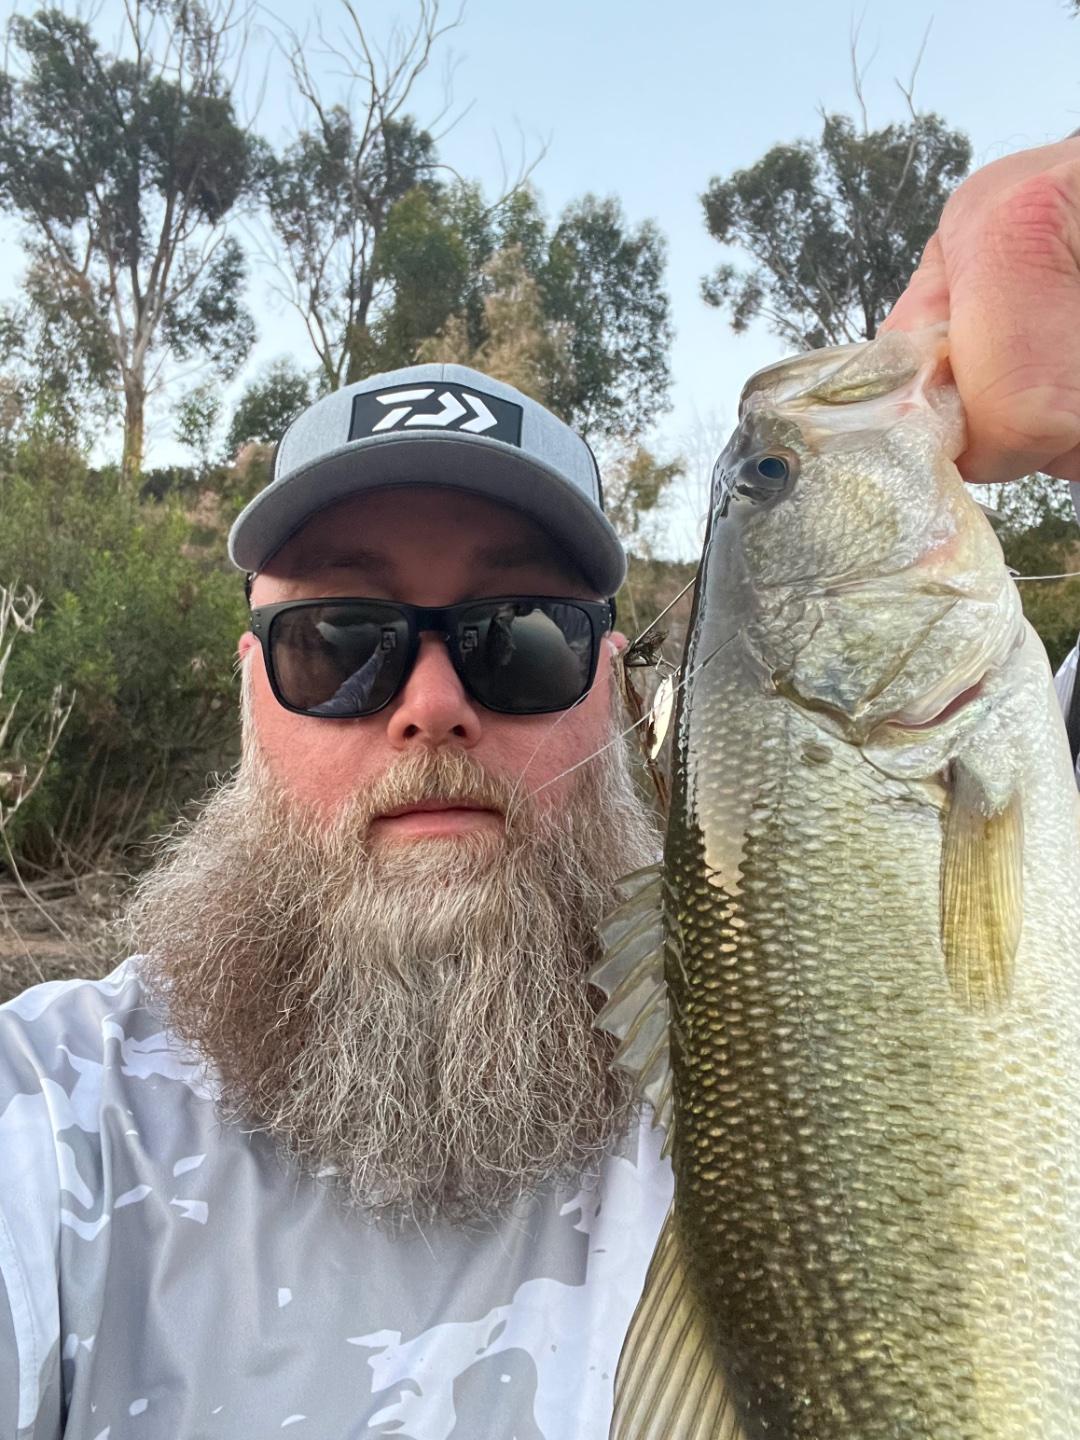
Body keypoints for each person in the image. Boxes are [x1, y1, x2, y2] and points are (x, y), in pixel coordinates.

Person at [1, 134, 1080, 1439]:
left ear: (608, 691)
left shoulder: (751, 1020)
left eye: (519, 637)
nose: (431, 701)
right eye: (337, 642)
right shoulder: (53, 1119)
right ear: (250, 693)